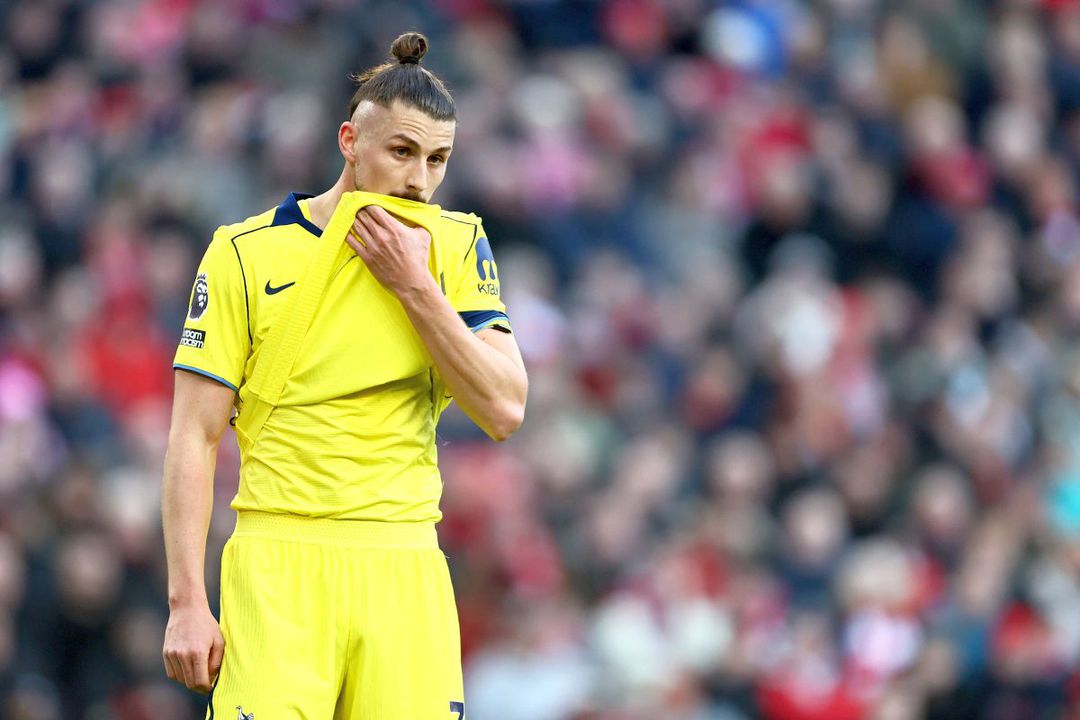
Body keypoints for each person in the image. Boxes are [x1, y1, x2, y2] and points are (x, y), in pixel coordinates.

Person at [160, 31, 528, 719]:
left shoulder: (455, 247)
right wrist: (186, 603)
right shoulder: (244, 252)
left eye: (438, 160)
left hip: (403, 562)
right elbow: (193, 435)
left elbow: (505, 408)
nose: (419, 181)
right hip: (279, 560)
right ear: (350, 142)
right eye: (402, 152)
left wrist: (414, 286)